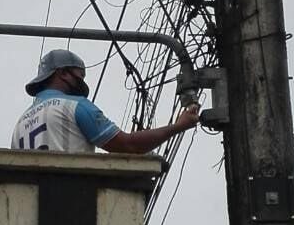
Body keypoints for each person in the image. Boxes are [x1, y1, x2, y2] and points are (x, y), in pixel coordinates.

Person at [11, 48, 199, 155]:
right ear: (63, 73)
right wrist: (179, 126)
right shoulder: (75, 106)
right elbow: (127, 146)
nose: (82, 81)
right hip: (68, 201)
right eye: (80, 75)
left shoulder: (20, 123)